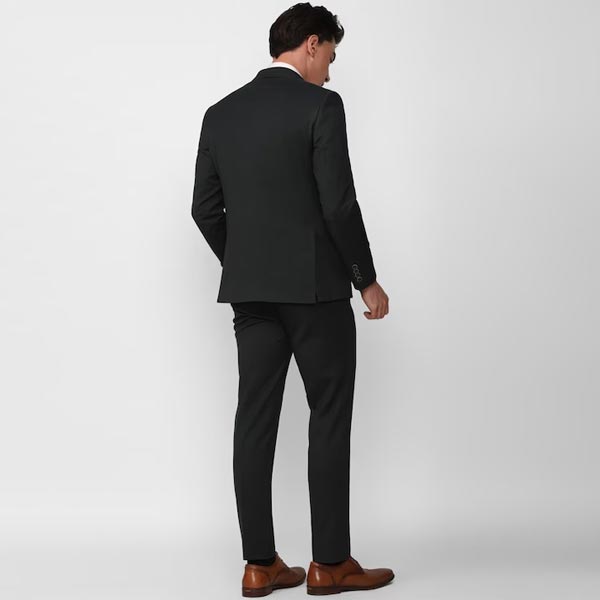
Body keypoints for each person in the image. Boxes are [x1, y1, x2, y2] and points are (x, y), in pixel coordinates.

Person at [191, 3, 393, 596]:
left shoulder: (220, 113)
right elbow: (338, 204)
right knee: (327, 415)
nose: (330, 68)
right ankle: (329, 563)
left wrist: (247, 264)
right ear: (310, 43)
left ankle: (259, 564)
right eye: (330, 53)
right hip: (315, 291)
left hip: (251, 295)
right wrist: (365, 278)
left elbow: (204, 209)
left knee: (253, 420)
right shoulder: (321, 106)